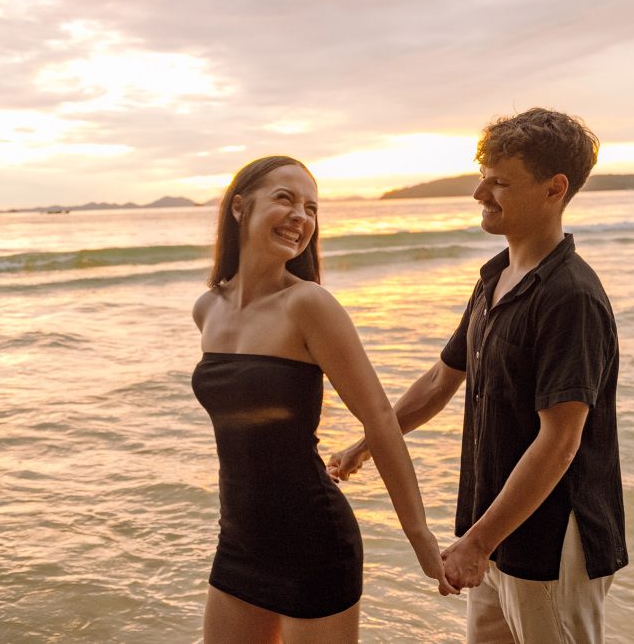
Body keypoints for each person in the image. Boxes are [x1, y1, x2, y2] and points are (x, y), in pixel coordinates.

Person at [329, 108, 628, 643]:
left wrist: (477, 544)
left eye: (498, 183)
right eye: (482, 177)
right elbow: (441, 381)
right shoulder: (495, 279)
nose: (478, 194)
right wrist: (367, 444)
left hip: (550, 543)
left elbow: (560, 440)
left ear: (554, 189)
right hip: (493, 532)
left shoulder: (571, 298)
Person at [191, 155, 457, 644]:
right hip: (238, 542)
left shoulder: (309, 304)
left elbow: (378, 416)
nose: (301, 217)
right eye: (285, 199)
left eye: (311, 208)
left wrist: (419, 535)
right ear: (239, 208)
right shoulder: (207, 309)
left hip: (314, 543)